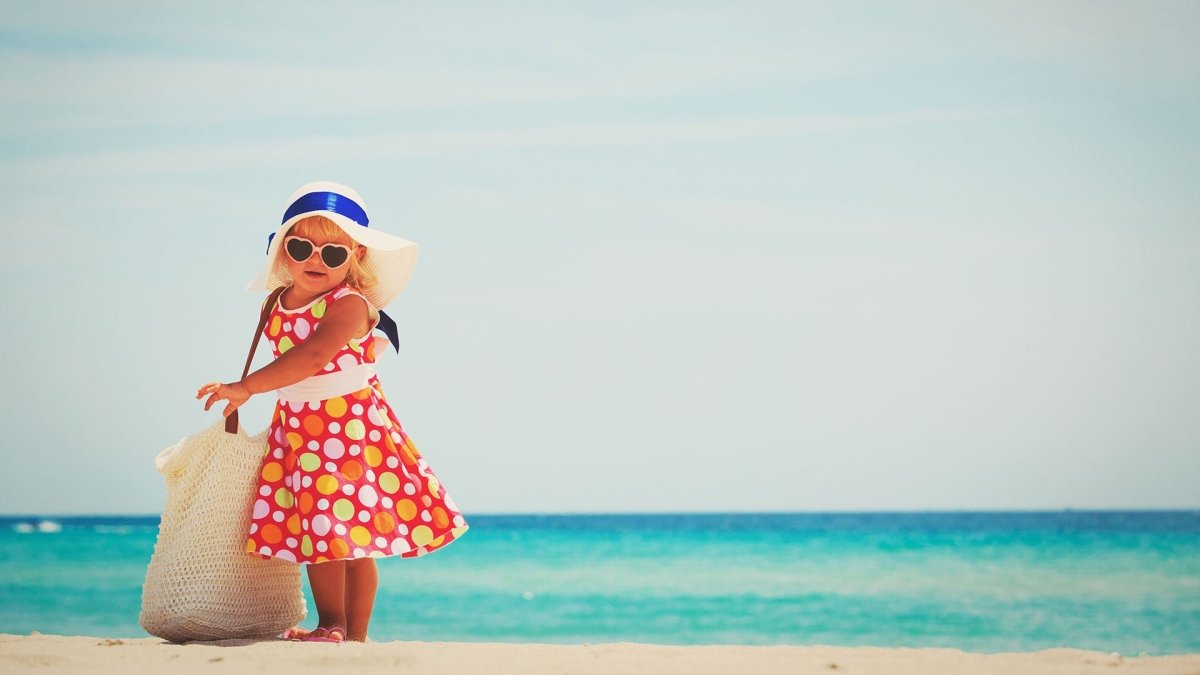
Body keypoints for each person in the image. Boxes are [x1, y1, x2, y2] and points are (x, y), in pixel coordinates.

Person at [197, 182, 468, 643]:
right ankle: (346, 632)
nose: (315, 260)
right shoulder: (275, 303)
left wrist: (246, 388)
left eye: (333, 253)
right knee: (330, 527)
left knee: (330, 524)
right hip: (299, 425)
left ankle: (339, 626)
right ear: (283, 251)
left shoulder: (350, 306)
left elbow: (313, 356)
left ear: (356, 256)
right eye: (302, 247)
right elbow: (294, 364)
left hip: (348, 426)